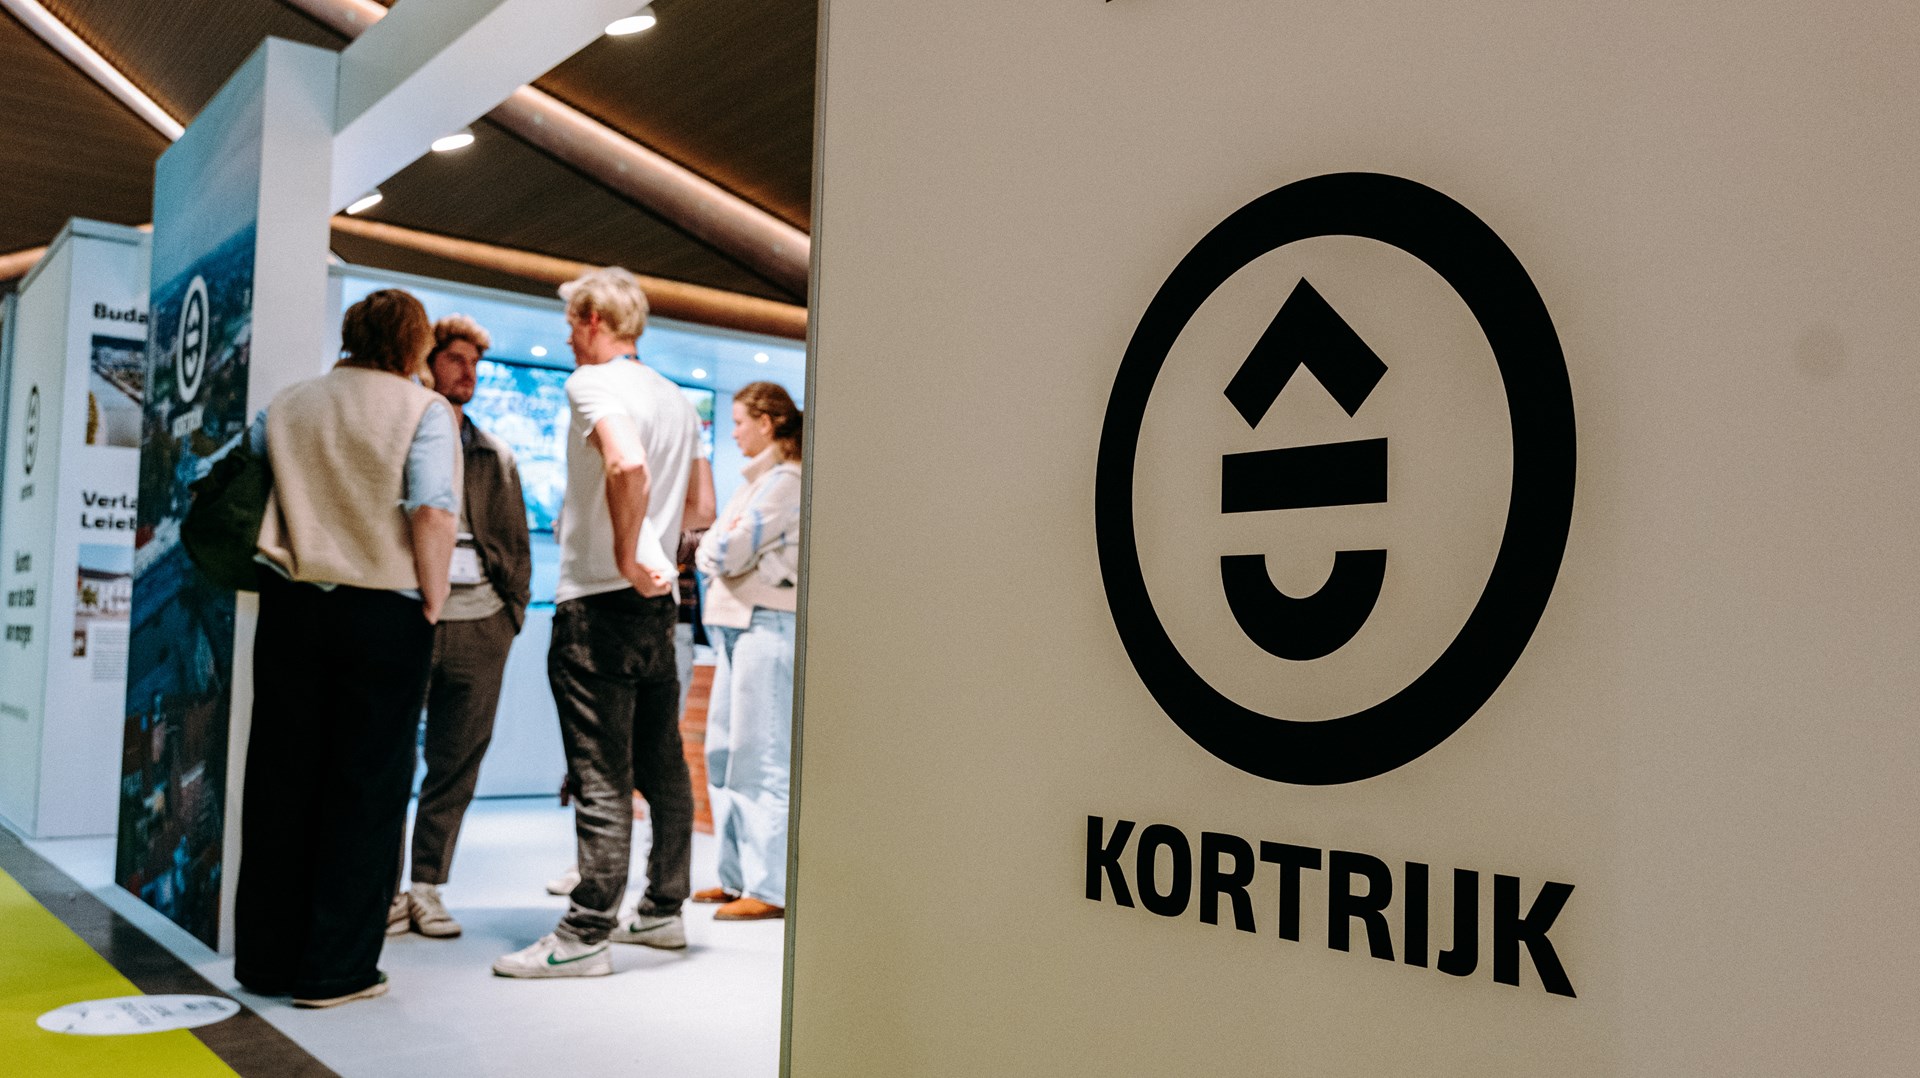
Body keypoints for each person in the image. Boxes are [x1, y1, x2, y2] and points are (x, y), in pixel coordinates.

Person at [232, 289, 459, 1008]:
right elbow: (432, 508)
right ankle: (336, 970)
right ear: (415, 344)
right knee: (367, 786)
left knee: (280, 779)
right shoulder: (424, 410)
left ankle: (266, 960)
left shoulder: (288, 404)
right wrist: (433, 598)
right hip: (383, 609)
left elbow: (242, 477)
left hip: (292, 604)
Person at [494, 267, 715, 979]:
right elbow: (702, 507)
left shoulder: (592, 383)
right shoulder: (677, 399)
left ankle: (586, 931)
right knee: (662, 765)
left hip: (596, 604)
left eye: (571, 324)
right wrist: (655, 555)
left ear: (593, 320)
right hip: (654, 609)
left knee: (601, 773)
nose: (567, 338)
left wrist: (624, 552)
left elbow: (626, 463)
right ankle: (663, 911)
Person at [388, 315, 532, 939]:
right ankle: (385, 889)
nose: (468, 372)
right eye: (455, 359)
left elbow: (516, 543)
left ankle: (427, 885)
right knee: (388, 757)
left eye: (476, 363)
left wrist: (510, 615)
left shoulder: (494, 454)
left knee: (456, 762)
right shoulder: (401, 434)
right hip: (408, 616)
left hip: (481, 624)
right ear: (427, 361)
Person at [695, 382, 803, 921]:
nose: (733, 432)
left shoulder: (787, 482)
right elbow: (714, 547)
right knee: (723, 754)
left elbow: (725, 549)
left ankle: (769, 886)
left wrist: (722, 546)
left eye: (739, 421)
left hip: (767, 625)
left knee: (761, 757)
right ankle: (735, 877)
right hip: (737, 627)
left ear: (767, 422)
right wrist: (722, 546)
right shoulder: (757, 483)